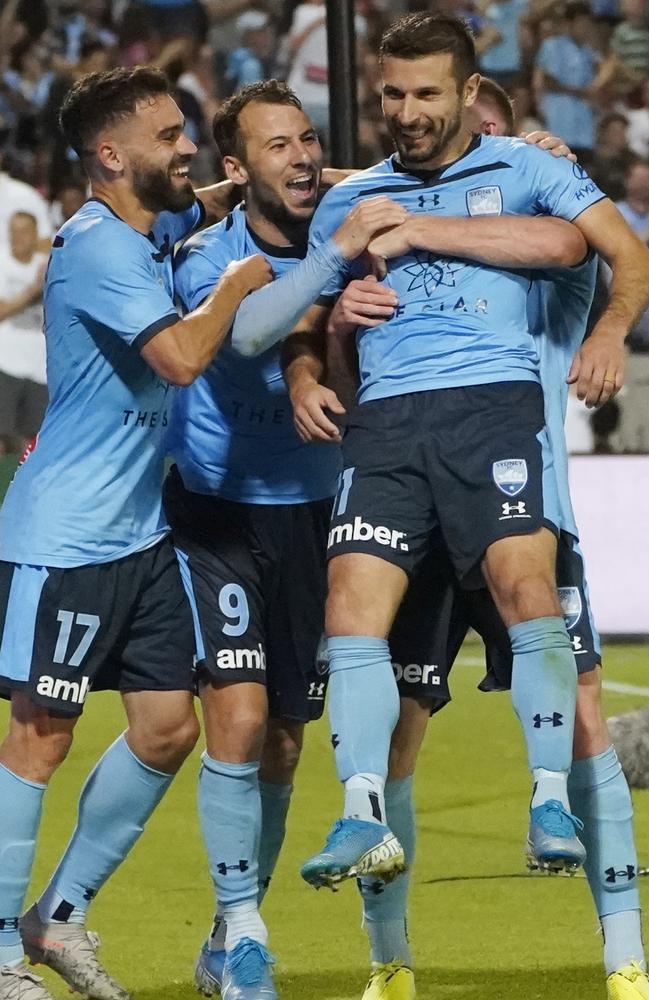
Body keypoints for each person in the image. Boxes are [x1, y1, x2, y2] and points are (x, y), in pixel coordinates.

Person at [303, 77, 649, 1000]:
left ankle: (624, 960)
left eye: (501, 136)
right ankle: (391, 963)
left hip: (527, 503)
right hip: (416, 492)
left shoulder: (542, 229)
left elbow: (591, 244)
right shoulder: (411, 238)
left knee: (583, 730)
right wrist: (339, 320)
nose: (488, 154)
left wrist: (610, 319)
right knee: (399, 738)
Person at [0, 66, 272, 1000]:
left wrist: (250, 186)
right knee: (40, 737)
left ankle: (55, 919)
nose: (186, 145)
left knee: (165, 731)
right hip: (64, 536)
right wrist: (240, 282)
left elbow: (190, 199)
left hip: (140, 534)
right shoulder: (95, 248)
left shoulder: (141, 226)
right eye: (167, 135)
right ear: (110, 156)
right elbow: (184, 357)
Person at [167, 79, 408, 1000]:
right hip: (216, 510)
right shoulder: (206, 255)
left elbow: (406, 183)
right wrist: (326, 292)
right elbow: (245, 340)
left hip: (316, 514)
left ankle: (230, 930)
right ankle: (248, 934)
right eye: (276, 146)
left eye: (309, 140)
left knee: (285, 744)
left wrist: (533, 151)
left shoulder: (348, 222)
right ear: (235, 169)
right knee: (233, 716)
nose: (302, 157)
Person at [0, 212, 48, 456]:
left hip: (40, 368)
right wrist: (33, 289)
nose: (16, 237)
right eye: (12, 231)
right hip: (6, 364)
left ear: (34, 235)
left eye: (22, 231)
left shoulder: (48, 264)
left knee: (35, 442)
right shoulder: (2, 262)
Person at [534, 1, 600, 166]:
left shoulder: (588, 51)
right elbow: (547, 80)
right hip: (559, 119)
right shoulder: (552, 45)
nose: (585, 28)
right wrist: (578, 91)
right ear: (568, 24)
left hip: (584, 125)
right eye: (581, 23)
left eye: (588, 24)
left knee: (584, 171)